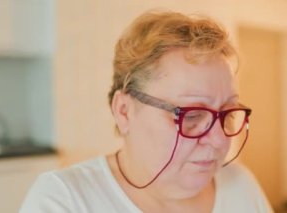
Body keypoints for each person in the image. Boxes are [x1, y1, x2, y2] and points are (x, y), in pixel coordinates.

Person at [20, 11, 273, 213]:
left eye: (227, 114)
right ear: (124, 111)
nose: (220, 140)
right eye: (192, 116)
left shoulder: (239, 185)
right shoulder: (65, 200)